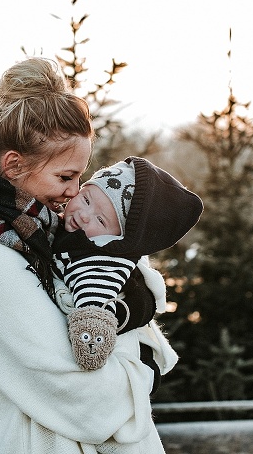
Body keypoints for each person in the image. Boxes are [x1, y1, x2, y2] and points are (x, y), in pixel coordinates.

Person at [0, 57, 180, 453]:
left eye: (81, 176)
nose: (76, 191)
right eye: (65, 176)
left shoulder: (37, 238)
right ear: (14, 165)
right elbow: (88, 405)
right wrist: (141, 359)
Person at [53, 158, 203, 371]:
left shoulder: (101, 259)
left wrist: (91, 343)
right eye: (86, 199)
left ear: (117, 239)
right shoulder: (63, 224)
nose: (84, 215)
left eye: (101, 220)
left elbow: (95, 303)